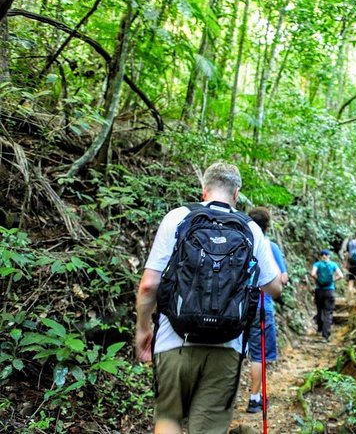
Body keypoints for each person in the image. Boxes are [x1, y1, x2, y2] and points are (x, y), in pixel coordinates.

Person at [135, 162, 283, 434]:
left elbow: (148, 286)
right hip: (226, 347)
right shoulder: (250, 228)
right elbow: (273, 288)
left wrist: (143, 329)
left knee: (169, 418)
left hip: (173, 340)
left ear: (203, 189)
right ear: (236, 193)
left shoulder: (177, 217)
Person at [245, 207, 288, 414]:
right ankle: (254, 398)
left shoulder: (240, 241)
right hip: (261, 306)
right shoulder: (269, 246)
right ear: (267, 226)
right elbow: (282, 278)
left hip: (235, 307)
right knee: (258, 355)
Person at [310, 249, 343, 341]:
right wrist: (333, 280)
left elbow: (312, 273)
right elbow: (341, 275)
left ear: (320, 256)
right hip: (330, 291)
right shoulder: (333, 264)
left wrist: (318, 279)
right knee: (328, 312)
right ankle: (325, 336)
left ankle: (320, 329)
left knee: (319, 310)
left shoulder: (317, 264)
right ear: (329, 256)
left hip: (319, 291)